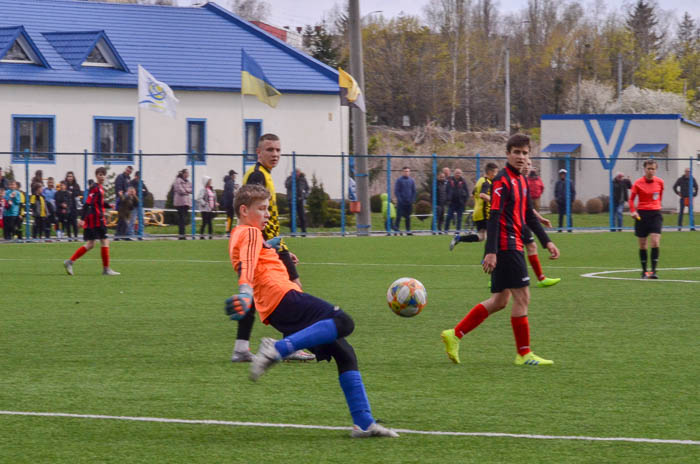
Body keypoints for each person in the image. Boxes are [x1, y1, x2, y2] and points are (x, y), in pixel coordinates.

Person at [225, 184, 398, 438]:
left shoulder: (240, 234)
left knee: (344, 352)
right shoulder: (249, 232)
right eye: (261, 209)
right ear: (243, 210)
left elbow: (253, 255)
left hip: (275, 308)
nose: (267, 215)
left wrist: (272, 249)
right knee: (343, 321)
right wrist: (244, 292)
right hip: (283, 296)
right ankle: (279, 349)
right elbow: (248, 265)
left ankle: (363, 423)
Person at [441, 134, 560, 366]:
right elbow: (494, 216)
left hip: (513, 244)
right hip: (507, 246)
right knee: (523, 297)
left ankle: (454, 334)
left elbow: (528, 217)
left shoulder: (522, 181)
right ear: (507, 154)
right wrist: (491, 251)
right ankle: (524, 354)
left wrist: (547, 242)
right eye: (516, 152)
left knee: (499, 301)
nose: (521, 157)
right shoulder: (502, 181)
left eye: (525, 153)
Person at [235, 133, 314, 363]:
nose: (275, 154)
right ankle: (290, 345)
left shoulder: (263, 175)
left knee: (250, 291)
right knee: (294, 290)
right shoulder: (258, 175)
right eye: (270, 150)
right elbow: (254, 214)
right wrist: (271, 248)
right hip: (263, 246)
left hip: (264, 245)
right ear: (258, 152)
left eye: (278, 150)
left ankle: (241, 348)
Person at [63, 167, 120, 276]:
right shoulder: (95, 188)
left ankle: (70, 262)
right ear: (96, 176)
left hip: (95, 219)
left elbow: (98, 203)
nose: (102, 176)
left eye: (103, 174)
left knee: (90, 244)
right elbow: (88, 204)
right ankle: (106, 269)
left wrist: (109, 205)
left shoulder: (100, 188)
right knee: (104, 241)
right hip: (96, 220)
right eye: (99, 174)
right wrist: (82, 219)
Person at [629, 159, 664, 279]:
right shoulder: (638, 183)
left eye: (653, 168)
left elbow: (660, 197)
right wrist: (633, 211)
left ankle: (653, 271)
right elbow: (631, 199)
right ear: (644, 169)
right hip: (642, 215)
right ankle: (644, 272)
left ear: (656, 169)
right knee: (643, 244)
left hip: (655, 214)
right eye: (648, 168)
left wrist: (658, 206)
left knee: (655, 241)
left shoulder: (660, 182)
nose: (651, 171)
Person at [450, 162, 498, 246]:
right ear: (490, 172)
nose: (496, 175)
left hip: (477, 213)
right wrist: (494, 200)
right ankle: (488, 258)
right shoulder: (487, 182)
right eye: (495, 172)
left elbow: (472, 194)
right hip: (485, 214)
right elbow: (482, 195)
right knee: (495, 236)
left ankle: (459, 238)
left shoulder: (480, 180)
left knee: (481, 237)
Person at [285, 168, 309, 235]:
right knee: (292, 217)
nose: (297, 174)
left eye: (298, 172)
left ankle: (303, 232)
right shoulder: (289, 179)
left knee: (302, 216)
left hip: (300, 200)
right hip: (291, 200)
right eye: (295, 172)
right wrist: (293, 178)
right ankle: (292, 232)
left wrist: (305, 196)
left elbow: (307, 189)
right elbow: (287, 185)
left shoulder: (303, 179)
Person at [444, 168, 469, 232]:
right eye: (457, 173)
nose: (458, 174)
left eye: (459, 173)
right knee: (448, 217)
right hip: (451, 203)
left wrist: (465, 201)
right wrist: (447, 199)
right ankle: (446, 230)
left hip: (460, 203)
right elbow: (446, 191)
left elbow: (467, 192)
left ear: (461, 174)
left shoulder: (463, 181)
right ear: (454, 173)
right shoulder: (450, 181)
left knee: (459, 218)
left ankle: (458, 231)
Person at [393, 166, 416, 235]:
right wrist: (400, 200)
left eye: (408, 171)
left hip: (409, 202)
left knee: (408, 217)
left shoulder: (411, 180)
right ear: (402, 172)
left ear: (409, 172)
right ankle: (396, 231)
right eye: (405, 171)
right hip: (401, 203)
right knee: (398, 217)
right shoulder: (399, 180)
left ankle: (408, 231)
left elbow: (414, 191)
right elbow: (397, 191)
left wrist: (412, 200)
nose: (406, 173)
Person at [173, 169, 192, 240]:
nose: (188, 174)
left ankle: (183, 234)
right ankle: (181, 235)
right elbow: (180, 190)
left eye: (188, 173)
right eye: (186, 173)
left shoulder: (188, 181)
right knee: (181, 219)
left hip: (186, 203)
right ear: (183, 174)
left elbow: (191, 189)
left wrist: (186, 190)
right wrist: (187, 190)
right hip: (180, 203)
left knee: (184, 219)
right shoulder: (178, 180)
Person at [114, 166, 133, 239]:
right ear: (126, 170)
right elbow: (119, 190)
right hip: (122, 201)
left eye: (130, 171)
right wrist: (122, 196)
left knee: (123, 219)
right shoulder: (120, 177)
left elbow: (129, 189)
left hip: (127, 201)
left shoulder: (128, 178)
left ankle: (120, 235)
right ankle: (120, 235)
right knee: (122, 218)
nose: (128, 172)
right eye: (128, 170)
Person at [129, 171, 149, 237]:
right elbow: (130, 192)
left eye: (140, 177)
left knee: (142, 220)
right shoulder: (131, 183)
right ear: (135, 176)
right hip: (133, 205)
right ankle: (130, 233)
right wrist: (136, 193)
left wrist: (142, 193)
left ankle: (140, 232)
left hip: (140, 205)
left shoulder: (142, 183)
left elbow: (146, 192)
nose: (138, 179)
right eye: (138, 177)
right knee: (132, 220)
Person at [64, 171, 82, 241]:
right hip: (67, 206)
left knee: (74, 222)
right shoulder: (65, 185)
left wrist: (73, 193)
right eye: (68, 176)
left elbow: (79, 194)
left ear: (73, 177)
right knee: (68, 223)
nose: (70, 178)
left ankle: (75, 236)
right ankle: (69, 237)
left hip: (74, 206)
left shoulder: (76, 185)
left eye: (71, 176)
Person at [222, 170, 237, 234]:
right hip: (230, 202)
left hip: (227, 202)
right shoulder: (230, 182)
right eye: (234, 175)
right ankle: (228, 230)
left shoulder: (228, 182)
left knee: (229, 217)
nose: (235, 176)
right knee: (230, 217)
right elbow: (231, 193)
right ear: (232, 175)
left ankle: (228, 230)